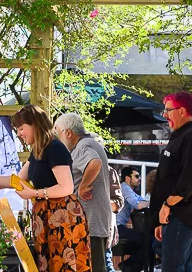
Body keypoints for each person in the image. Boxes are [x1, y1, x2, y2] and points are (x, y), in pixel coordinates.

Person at [0, 105, 91, 272]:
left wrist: (34, 193)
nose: (19, 133)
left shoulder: (55, 148)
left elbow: (67, 187)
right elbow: (18, 180)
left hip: (63, 218)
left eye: (21, 128)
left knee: (63, 266)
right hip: (46, 217)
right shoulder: (38, 150)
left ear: (35, 124)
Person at [149, 91, 192, 272]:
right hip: (171, 217)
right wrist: (159, 218)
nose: (165, 115)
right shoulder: (178, 136)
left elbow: (189, 180)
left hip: (181, 215)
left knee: (173, 267)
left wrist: (167, 205)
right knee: (179, 266)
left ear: (182, 111)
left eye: (168, 110)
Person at [55, 113, 115, 272]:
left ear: (68, 133)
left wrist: (83, 186)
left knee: (92, 267)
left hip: (90, 221)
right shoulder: (88, 143)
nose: (57, 138)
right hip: (92, 220)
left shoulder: (83, 145)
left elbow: (95, 163)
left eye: (58, 132)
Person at [115, 167, 150, 268]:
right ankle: (128, 267)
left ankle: (128, 266)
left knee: (146, 242)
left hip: (119, 227)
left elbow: (141, 201)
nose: (140, 179)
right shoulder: (124, 188)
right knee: (148, 241)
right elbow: (138, 205)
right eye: (137, 176)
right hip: (117, 228)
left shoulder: (129, 190)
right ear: (127, 178)